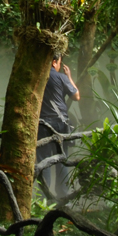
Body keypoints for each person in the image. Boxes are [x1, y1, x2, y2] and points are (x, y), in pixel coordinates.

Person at [37, 55, 80, 201]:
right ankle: (63, 196)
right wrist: (69, 76)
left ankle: (44, 198)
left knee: (43, 160)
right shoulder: (61, 77)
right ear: (54, 61)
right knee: (62, 159)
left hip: (42, 124)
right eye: (59, 63)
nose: (59, 66)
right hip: (60, 124)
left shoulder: (37, 76)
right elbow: (76, 96)